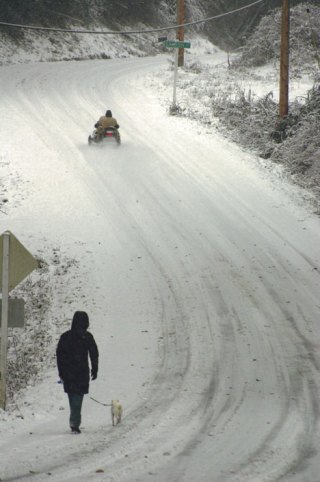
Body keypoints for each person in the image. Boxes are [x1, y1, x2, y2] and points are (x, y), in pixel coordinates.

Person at [56, 311, 99, 434]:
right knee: (78, 397)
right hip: (81, 372)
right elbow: (94, 353)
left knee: (73, 396)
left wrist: (61, 371)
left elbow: (60, 355)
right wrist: (95, 368)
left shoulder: (66, 336)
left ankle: (74, 420)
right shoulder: (87, 336)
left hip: (69, 372)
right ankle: (75, 422)